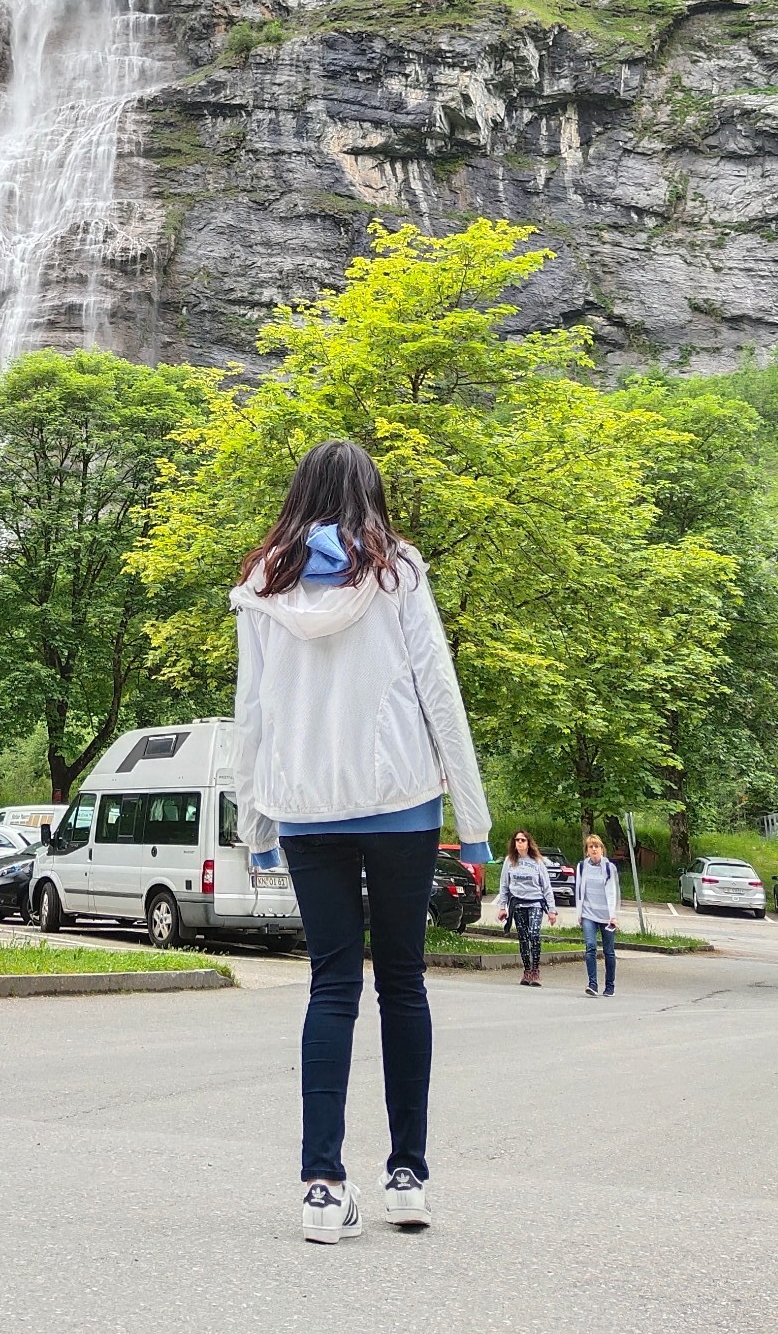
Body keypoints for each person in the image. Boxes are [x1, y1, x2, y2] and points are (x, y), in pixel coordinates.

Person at [231, 439, 493, 1245]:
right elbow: (438, 693)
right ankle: (406, 1179)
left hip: (308, 809)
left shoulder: (261, 582)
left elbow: (254, 712)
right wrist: (474, 825)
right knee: (404, 983)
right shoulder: (397, 573)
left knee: (332, 986)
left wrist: (257, 823)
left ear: (299, 494)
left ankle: (320, 1187)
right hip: (402, 803)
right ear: (370, 494)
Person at [495, 830, 555, 985]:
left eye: (522, 840)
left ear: (528, 843)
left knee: (534, 934)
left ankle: (535, 970)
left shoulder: (537, 862)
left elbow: (547, 887)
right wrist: (502, 907)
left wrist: (551, 910)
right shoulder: (510, 861)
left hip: (535, 902)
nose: (519, 843)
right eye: (517, 840)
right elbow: (504, 886)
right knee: (523, 938)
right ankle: (527, 970)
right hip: (518, 904)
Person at [575, 832, 621, 997]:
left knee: (608, 951)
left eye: (597, 846)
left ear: (602, 849)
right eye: (591, 847)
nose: (594, 849)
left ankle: (610, 986)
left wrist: (614, 915)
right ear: (587, 850)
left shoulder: (609, 868)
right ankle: (592, 983)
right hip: (589, 914)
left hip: (607, 916)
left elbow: (614, 892)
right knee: (590, 947)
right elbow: (579, 890)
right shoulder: (582, 867)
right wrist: (579, 913)